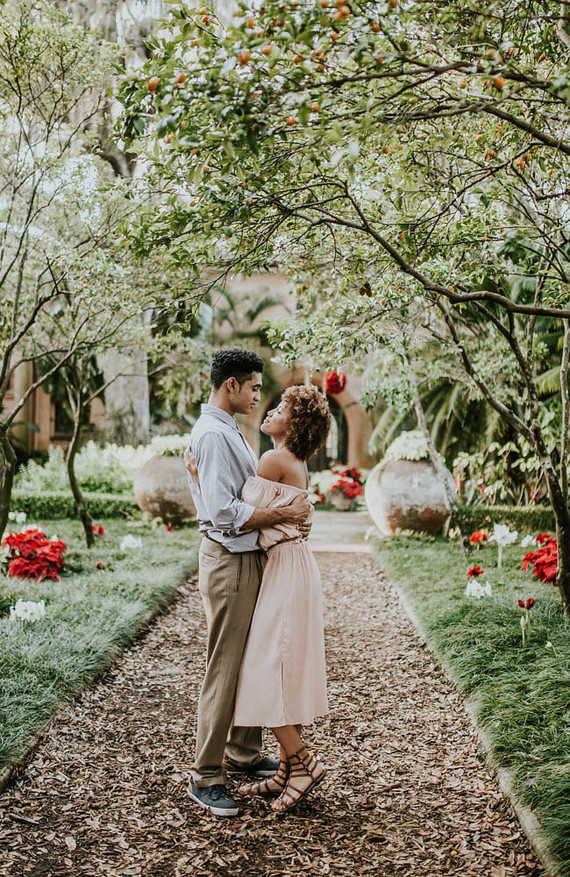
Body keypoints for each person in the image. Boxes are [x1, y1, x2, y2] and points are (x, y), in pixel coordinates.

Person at [185, 348, 313, 818]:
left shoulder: (228, 431)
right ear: (231, 385)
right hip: (229, 562)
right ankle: (205, 775)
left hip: (246, 558)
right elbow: (224, 513)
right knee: (224, 664)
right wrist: (284, 512)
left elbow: (230, 495)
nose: (260, 396)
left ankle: (240, 753)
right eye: (255, 387)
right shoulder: (215, 435)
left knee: (248, 658)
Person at [233, 384, 332, 813]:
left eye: (281, 408)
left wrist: (199, 478)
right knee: (274, 664)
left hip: (286, 569)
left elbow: (238, 514)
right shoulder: (293, 461)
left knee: (265, 666)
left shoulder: (274, 459)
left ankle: (303, 763)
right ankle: (286, 771)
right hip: (291, 565)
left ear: (296, 423)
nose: (270, 411)